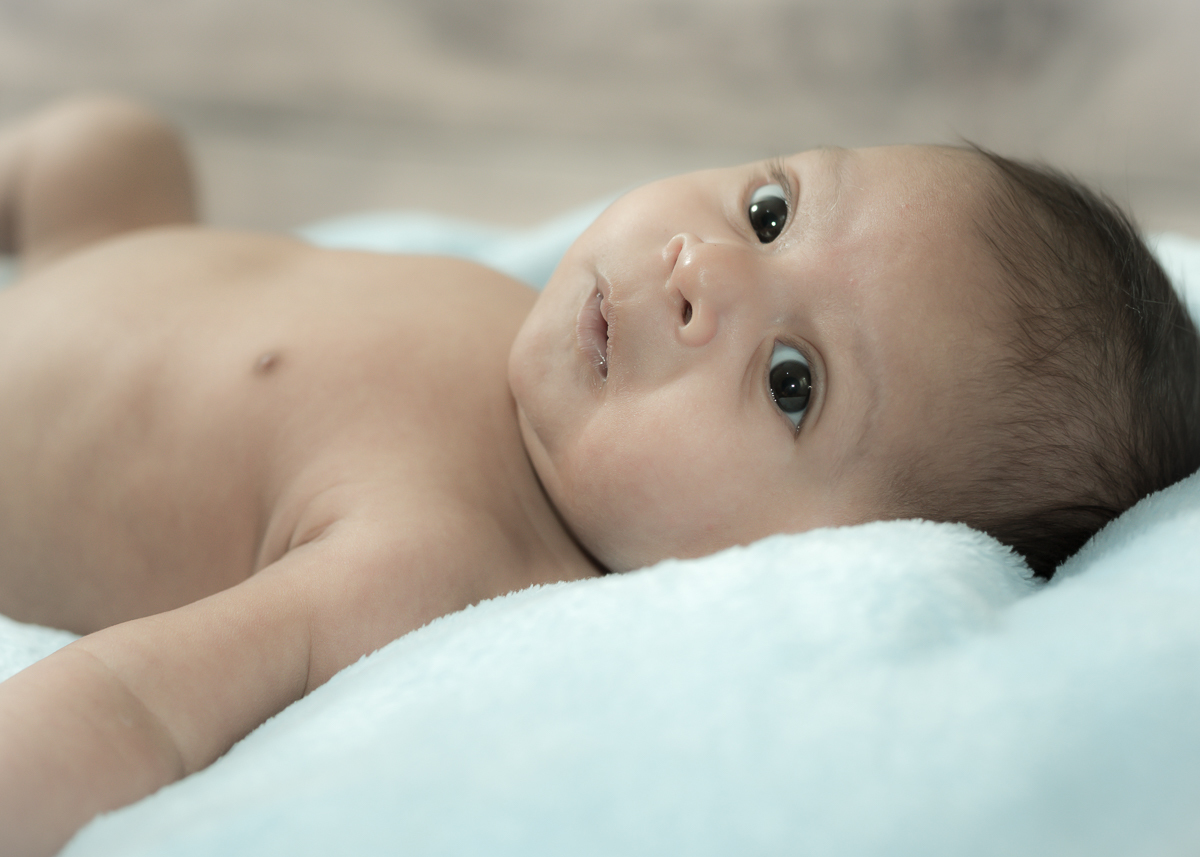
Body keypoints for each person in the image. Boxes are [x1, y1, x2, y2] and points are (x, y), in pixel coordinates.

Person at [0, 95, 1196, 856]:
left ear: (813, 560)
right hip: (102, 254)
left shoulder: (432, 554)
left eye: (792, 380)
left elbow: (133, 704)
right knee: (118, 139)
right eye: (768, 210)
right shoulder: (569, 345)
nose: (700, 267)